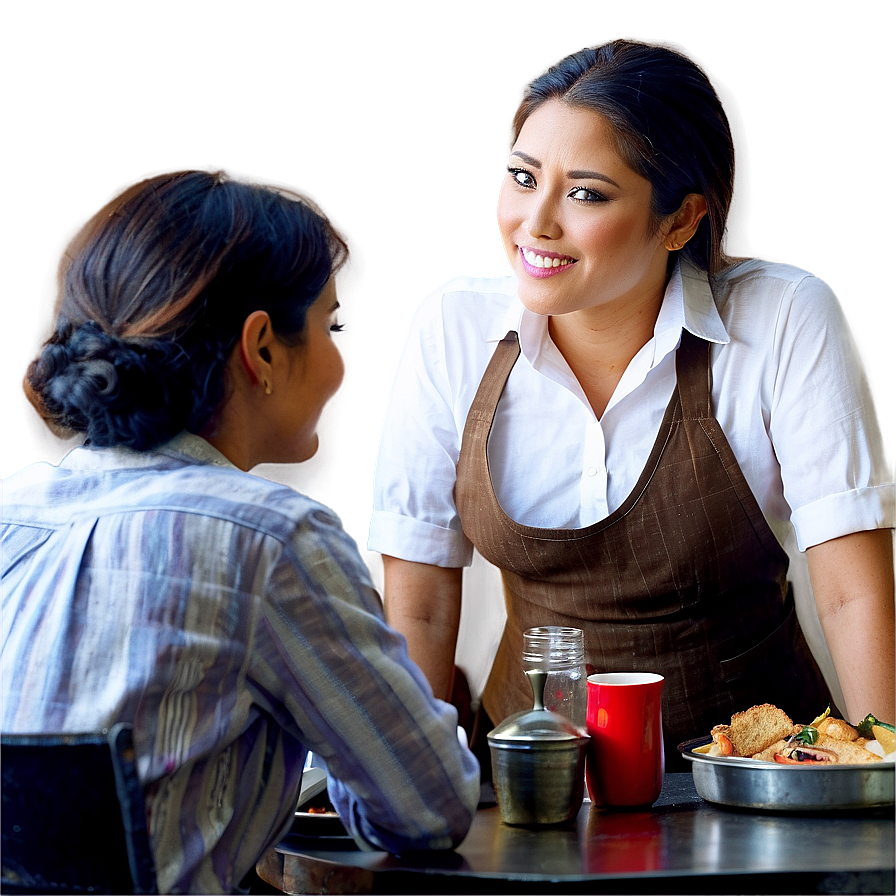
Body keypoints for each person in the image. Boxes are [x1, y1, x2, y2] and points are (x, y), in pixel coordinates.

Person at [368, 40, 895, 770]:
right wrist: (408, 796)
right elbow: (421, 601)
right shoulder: (453, 329)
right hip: (529, 788)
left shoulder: (783, 319)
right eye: (523, 178)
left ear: (680, 221)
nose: (535, 223)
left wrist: (883, 791)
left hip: (758, 790)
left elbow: (850, 597)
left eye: (586, 193)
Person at [1, 170, 480, 894]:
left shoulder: (12, 514)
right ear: (260, 348)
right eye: (332, 325)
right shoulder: (268, 541)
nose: (340, 362)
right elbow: (428, 808)